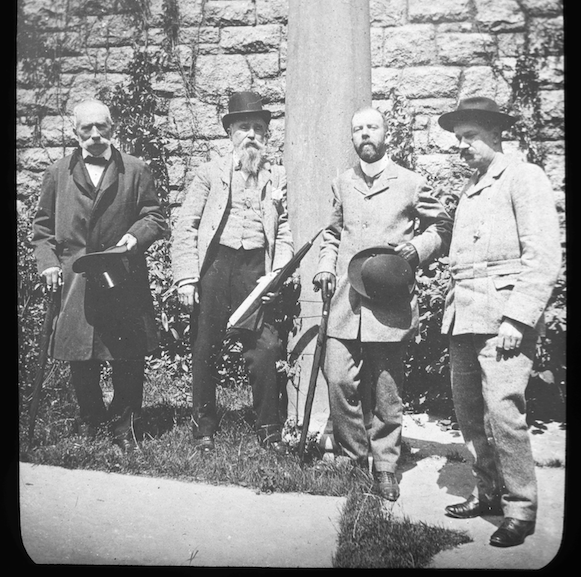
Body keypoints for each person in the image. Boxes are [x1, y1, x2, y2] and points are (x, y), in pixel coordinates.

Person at [438, 97, 562, 548]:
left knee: (504, 413)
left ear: (495, 134)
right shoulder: (473, 186)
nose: (462, 146)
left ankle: (521, 509)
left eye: (469, 136)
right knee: (470, 413)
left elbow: (543, 257)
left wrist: (517, 317)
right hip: (466, 317)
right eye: (458, 139)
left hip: (504, 319)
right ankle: (488, 493)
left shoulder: (524, 177)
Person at [313, 106, 452, 500]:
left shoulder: (410, 182)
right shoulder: (342, 183)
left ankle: (386, 466)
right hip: (347, 302)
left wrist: (417, 248)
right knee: (338, 378)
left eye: (372, 127)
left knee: (388, 390)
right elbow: (332, 234)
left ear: (385, 133)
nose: (365, 135)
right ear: (352, 138)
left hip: (390, 304)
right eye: (358, 129)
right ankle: (355, 458)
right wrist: (325, 266)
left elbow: (442, 226)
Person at [31, 99, 168, 452]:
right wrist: (47, 263)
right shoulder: (57, 173)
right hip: (76, 279)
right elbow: (43, 229)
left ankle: (125, 426)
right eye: (86, 129)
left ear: (113, 128)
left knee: (127, 354)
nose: (94, 136)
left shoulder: (135, 170)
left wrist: (135, 236)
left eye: (101, 127)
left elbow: (154, 216)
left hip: (122, 273)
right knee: (81, 354)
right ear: (75, 133)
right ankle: (92, 420)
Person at [171, 91, 294, 454]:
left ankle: (269, 429)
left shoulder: (277, 176)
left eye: (258, 128)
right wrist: (187, 277)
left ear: (267, 136)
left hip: (256, 269)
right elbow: (186, 225)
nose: (251, 135)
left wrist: (276, 275)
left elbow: (284, 229)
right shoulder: (210, 173)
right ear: (230, 134)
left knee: (266, 347)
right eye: (244, 127)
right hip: (216, 266)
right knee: (205, 345)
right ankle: (203, 427)